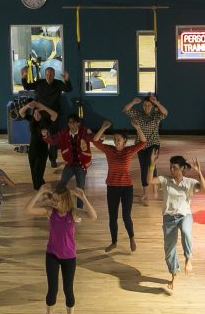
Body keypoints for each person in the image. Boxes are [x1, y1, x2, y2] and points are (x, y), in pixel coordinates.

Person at [25, 181, 98, 314]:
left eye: (57, 200)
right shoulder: (50, 212)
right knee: (52, 290)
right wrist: (39, 192)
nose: (53, 202)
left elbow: (93, 216)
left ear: (64, 200)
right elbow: (27, 210)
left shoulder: (74, 213)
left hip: (69, 257)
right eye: (53, 199)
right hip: (52, 255)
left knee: (68, 291)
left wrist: (83, 198)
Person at [151, 154, 205, 292]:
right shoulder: (165, 180)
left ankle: (188, 258)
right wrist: (151, 165)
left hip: (184, 215)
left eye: (175, 168)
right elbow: (149, 181)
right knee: (169, 250)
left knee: (187, 232)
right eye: (170, 167)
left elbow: (204, 187)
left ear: (182, 168)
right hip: (168, 218)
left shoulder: (189, 182)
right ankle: (174, 274)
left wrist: (199, 172)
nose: (172, 170)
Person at [91, 120, 147, 252]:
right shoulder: (109, 149)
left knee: (126, 216)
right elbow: (94, 141)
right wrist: (103, 127)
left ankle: (132, 238)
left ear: (125, 141)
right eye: (115, 139)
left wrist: (138, 128)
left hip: (126, 188)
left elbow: (143, 142)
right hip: (112, 187)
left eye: (119, 140)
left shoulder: (129, 151)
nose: (116, 142)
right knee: (112, 216)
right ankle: (114, 242)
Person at [21, 66, 72, 167]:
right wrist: (24, 77)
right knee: (40, 135)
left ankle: (53, 159)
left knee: (53, 137)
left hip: (54, 114)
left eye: (51, 75)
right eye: (47, 75)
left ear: (54, 75)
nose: (48, 77)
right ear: (45, 75)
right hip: (40, 114)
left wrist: (67, 80)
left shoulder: (58, 83)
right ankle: (40, 155)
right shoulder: (40, 83)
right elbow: (27, 86)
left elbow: (68, 89)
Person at [122, 93, 168, 203]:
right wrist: (133, 102)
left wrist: (156, 102)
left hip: (153, 143)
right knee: (144, 167)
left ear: (152, 106)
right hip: (141, 144)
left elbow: (165, 112)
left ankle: (155, 188)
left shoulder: (157, 115)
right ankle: (145, 193)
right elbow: (125, 110)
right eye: (145, 105)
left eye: (149, 105)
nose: (146, 107)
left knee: (151, 164)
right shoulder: (138, 114)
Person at [42, 114, 93, 208]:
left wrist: (100, 137)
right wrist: (45, 136)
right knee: (61, 184)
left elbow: (93, 138)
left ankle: (79, 210)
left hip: (81, 166)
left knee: (80, 189)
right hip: (70, 164)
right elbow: (53, 140)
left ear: (78, 123)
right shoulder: (64, 133)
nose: (71, 125)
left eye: (74, 122)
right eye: (70, 122)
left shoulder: (84, 132)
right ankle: (56, 203)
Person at [19, 97, 58, 189]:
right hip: (32, 149)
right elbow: (21, 112)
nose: (36, 115)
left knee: (38, 171)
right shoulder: (31, 120)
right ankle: (42, 185)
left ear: (42, 114)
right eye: (35, 113)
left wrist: (43, 107)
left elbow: (55, 115)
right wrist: (28, 105)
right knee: (33, 170)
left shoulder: (46, 122)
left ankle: (39, 188)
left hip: (42, 151)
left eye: (38, 113)